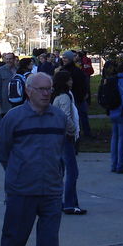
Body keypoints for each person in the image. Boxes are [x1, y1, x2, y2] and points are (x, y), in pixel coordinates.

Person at [0, 72, 70, 246]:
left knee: (49, 242)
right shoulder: (14, 118)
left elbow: (62, 151)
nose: (47, 93)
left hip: (51, 191)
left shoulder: (58, 118)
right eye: (42, 89)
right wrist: (18, 174)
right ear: (28, 91)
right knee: (14, 239)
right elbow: (3, 151)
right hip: (22, 191)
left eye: (49, 89)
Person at [51, 70, 85, 215]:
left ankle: (61, 202)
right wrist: (72, 130)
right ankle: (70, 204)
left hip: (58, 136)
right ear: (65, 82)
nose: (72, 82)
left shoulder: (58, 96)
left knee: (62, 171)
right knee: (72, 171)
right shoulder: (64, 97)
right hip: (65, 136)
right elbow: (65, 117)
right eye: (70, 80)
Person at [58, 51, 91, 139]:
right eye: (63, 58)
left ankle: (83, 132)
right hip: (68, 96)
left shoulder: (76, 70)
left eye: (66, 58)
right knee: (73, 115)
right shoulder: (63, 69)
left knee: (81, 115)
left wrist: (83, 93)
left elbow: (82, 83)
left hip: (77, 96)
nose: (64, 59)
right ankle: (74, 132)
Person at [0, 52, 18, 120]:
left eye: (10, 59)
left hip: (17, 100)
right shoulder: (0, 70)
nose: (8, 61)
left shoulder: (18, 70)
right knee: (5, 121)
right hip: (5, 101)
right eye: (7, 59)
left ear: (13, 59)